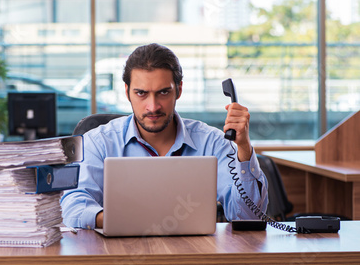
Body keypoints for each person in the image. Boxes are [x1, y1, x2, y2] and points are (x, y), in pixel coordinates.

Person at [61, 43, 268, 229]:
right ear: (127, 93)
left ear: (178, 90)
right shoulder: (98, 142)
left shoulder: (212, 143)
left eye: (163, 92)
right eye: (141, 93)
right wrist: (119, 219)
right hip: (118, 255)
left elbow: (249, 218)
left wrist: (243, 148)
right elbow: (73, 206)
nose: (152, 106)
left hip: (193, 259)